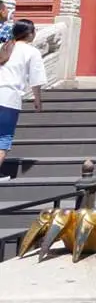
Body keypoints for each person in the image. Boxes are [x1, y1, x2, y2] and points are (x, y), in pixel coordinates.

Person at [0, 20, 46, 182]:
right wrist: (38, 100)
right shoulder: (31, 52)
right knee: (3, 137)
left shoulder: (4, 47)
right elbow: (35, 79)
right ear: (31, 33)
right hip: (8, 97)